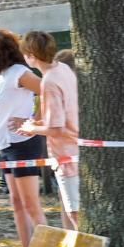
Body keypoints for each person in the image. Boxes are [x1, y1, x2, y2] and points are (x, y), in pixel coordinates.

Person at [0, 29, 46, 247]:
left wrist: (34, 121)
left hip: (22, 144)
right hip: (5, 146)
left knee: (31, 204)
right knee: (17, 203)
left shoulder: (19, 72)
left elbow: (49, 91)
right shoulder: (2, 76)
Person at [18, 31, 80, 231]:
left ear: (31, 56)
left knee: (75, 213)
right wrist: (39, 123)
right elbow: (64, 112)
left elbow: (56, 128)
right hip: (76, 148)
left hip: (66, 153)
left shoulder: (49, 81)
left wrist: (32, 128)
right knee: (70, 209)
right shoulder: (63, 69)